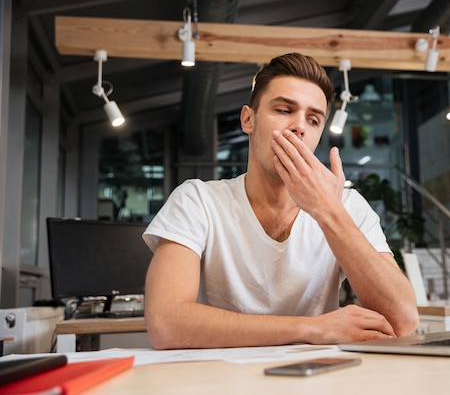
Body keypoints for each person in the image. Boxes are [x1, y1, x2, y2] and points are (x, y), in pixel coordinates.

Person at [142, 52, 419, 349]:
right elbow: (165, 324)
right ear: (248, 119)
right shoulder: (198, 200)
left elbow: (403, 319)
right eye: (285, 110)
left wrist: (327, 211)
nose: (300, 126)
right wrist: (313, 329)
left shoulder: (347, 206)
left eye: (313, 119)